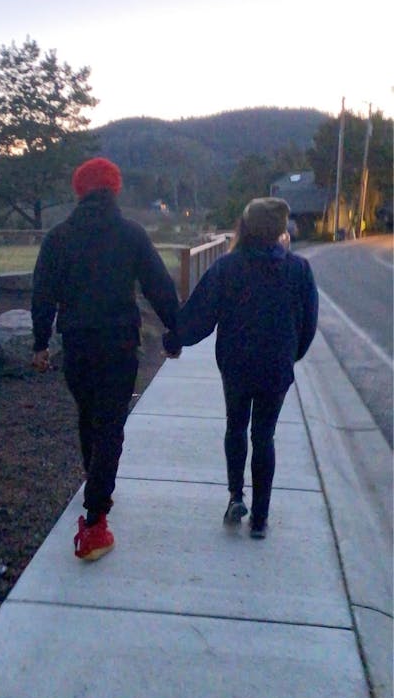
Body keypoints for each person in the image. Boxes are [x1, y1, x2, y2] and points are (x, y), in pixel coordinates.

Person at [31, 157, 180, 560]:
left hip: (76, 345)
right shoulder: (131, 234)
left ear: (79, 191)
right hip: (118, 345)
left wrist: (40, 342)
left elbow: (42, 293)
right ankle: (95, 521)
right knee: (110, 425)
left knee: (89, 416)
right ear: (114, 190)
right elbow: (158, 285)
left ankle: (95, 484)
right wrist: (176, 330)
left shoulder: (58, 237)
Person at [163, 197, 318, 539]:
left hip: (236, 365)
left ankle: (236, 496)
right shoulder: (299, 270)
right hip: (276, 367)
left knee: (236, 428)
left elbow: (200, 316)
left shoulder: (227, 267)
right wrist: (291, 356)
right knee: (265, 436)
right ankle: (260, 519)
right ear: (280, 230)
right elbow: (308, 325)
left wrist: (175, 340)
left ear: (244, 227)